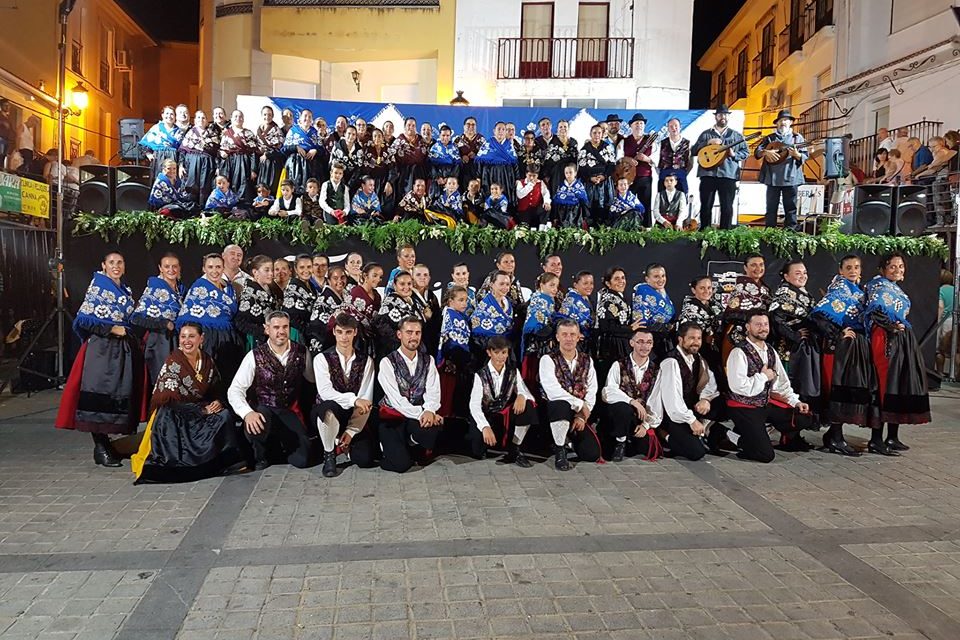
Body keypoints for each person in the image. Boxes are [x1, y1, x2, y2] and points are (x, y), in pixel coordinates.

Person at [55, 251, 148, 467]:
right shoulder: (99, 287)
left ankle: (107, 444)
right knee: (98, 394)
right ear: (103, 265)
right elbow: (85, 320)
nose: (116, 266)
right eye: (112, 263)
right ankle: (100, 446)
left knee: (117, 395)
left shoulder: (125, 289)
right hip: (101, 350)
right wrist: (112, 329)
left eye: (120, 262)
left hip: (121, 351)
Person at [131, 322, 246, 483]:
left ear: (201, 339)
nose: (187, 341)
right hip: (175, 412)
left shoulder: (207, 361)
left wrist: (217, 402)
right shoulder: (174, 362)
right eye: (183, 337)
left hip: (199, 408)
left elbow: (217, 389)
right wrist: (201, 411)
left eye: (192, 336)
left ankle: (219, 462)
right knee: (170, 417)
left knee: (224, 415)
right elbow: (168, 400)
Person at [227, 311, 315, 470]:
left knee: (303, 460)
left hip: (289, 410)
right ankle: (261, 455)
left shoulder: (302, 352)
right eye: (276, 327)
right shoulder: (254, 355)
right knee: (257, 425)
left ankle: (279, 449)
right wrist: (247, 413)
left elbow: (312, 380)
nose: (281, 331)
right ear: (267, 329)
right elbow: (235, 389)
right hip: (265, 410)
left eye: (285, 327)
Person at [863, 252, 931, 455]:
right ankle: (876, 439)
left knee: (898, 384)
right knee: (885, 385)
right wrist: (892, 327)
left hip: (900, 340)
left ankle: (892, 436)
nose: (897, 270)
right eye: (892, 266)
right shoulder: (877, 286)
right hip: (885, 340)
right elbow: (874, 312)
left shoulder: (895, 289)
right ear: (882, 268)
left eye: (900, 266)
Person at [810, 256, 878, 456]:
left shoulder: (858, 291)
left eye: (856, 267)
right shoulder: (840, 289)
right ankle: (836, 438)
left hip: (855, 347)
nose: (853, 270)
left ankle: (834, 435)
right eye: (848, 268)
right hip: (841, 349)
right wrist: (838, 333)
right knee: (838, 388)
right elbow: (819, 315)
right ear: (841, 270)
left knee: (847, 389)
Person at [725, 310, 810, 463]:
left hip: (764, 403)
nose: (763, 328)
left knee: (803, 417)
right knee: (765, 455)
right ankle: (727, 435)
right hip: (744, 406)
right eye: (758, 325)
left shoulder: (770, 351)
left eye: (765, 324)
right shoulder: (738, 352)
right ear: (748, 327)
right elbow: (739, 387)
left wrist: (795, 402)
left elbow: (782, 384)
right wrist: (764, 377)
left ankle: (757, 432)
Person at [648, 322, 727, 460]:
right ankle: (663, 435)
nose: (696, 342)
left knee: (721, 401)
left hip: (688, 408)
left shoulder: (698, 358)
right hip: (671, 415)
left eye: (699, 338)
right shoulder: (671, 361)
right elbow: (672, 401)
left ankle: (705, 431)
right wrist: (691, 421)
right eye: (691, 338)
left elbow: (710, 382)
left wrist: (705, 399)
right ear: (680, 339)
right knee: (696, 453)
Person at [312, 314, 376, 477]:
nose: (344, 337)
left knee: (365, 459)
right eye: (340, 332)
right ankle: (329, 454)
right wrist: (353, 400)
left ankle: (343, 441)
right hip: (327, 410)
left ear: (355, 332)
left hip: (352, 415)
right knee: (329, 409)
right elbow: (325, 392)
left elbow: (366, 399)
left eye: (348, 332)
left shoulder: (366, 361)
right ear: (334, 332)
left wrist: (351, 431)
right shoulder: (322, 359)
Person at [377, 316, 444, 473]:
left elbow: (433, 391)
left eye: (417, 333)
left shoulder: (428, 360)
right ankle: (384, 448)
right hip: (393, 418)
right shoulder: (387, 362)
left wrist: (430, 410)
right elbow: (396, 400)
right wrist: (423, 413)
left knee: (432, 432)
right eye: (409, 332)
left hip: (415, 416)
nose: (413, 337)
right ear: (399, 335)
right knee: (401, 465)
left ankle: (411, 443)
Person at [540, 319, 602, 471]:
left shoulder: (587, 360)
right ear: (557, 337)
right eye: (564, 334)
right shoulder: (547, 359)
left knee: (591, 454)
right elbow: (552, 391)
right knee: (560, 403)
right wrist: (580, 405)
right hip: (554, 412)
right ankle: (560, 450)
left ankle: (570, 440)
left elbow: (592, 389)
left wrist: (582, 415)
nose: (568, 338)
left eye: (572, 334)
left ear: (579, 336)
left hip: (579, 413)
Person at [468, 336, 538, 467]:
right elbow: (474, 406)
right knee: (477, 449)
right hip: (487, 416)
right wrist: (485, 427)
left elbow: (527, 393)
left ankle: (515, 449)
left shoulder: (513, 371)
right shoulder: (480, 375)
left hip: (504, 417)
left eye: (504, 352)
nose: (501, 357)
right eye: (497, 352)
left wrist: (522, 395)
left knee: (528, 406)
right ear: (489, 353)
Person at [179, 253, 244, 380]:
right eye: (210, 267)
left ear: (223, 267)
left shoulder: (229, 287)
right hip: (208, 337)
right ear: (204, 269)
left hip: (229, 337)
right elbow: (188, 317)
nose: (215, 271)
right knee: (207, 374)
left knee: (227, 375)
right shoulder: (199, 287)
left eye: (218, 267)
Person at [768, 260, 820, 415]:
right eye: (797, 273)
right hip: (789, 350)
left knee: (803, 384)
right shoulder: (784, 294)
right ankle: (788, 426)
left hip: (804, 348)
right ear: (786, 276)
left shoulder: (803, 293)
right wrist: (794, 335)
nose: (802, 276)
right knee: (791, 385)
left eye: (804, 272)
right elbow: (776, 319)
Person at [600, 329, 660, 462]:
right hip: (619, 417)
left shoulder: (656, 370)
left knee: (643, 449)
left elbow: (657, 401)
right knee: (623, 408)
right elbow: (608, 392)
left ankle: (630, 440)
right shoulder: (619, 365)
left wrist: (646, 425)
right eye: (640, 342)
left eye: (648, 342)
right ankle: (620, 442)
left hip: (640, 419)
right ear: (632, 343)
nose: (645, 346)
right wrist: (631, 401)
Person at [131, 252, 186, 390]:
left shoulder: (181, 290)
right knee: (162, 383)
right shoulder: (154, 288)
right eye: (167, 266)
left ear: (179, 268)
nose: (171, 270)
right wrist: (163, 324)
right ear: (160, 268)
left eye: (174, 266)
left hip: (178, 342)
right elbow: (137, 318)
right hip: (159, 343)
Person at [692, 105, 748, 229]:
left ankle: (725, 234)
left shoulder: (736, 136)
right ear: (716, 117)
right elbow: (693, 150)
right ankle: (705, 232)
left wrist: (734, 154)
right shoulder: (706, 134)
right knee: (706, 206)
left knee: (727, 207)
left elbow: (745, 153)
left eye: (725, 115)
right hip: (708, 175)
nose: (723, 117)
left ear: (728, 117)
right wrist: (707, 143)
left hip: (728, 175)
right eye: (720, 115)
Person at [755, 110, 808, 230]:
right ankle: (770, 232)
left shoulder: (797, 138)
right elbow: (757, 152)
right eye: (780, 121)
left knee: (790, 207)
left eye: (785, 120)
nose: (783, 122)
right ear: (777, 124)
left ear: (790, 123)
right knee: (771, 207)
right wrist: (765, 152)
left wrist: (796, 154)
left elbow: (805, 155)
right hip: (772, 177)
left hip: (791, 176)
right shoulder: (769, 138)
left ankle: (790, 232)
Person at [718, 253, 770, 363]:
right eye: (753, 265)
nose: (758, 268)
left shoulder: (765, 288)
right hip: (741, 337)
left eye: (761, 265)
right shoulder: (740, 288)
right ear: (745, 268)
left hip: (760, 337)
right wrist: (752, 319)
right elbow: (730, 315)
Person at [595, 266, 642, 382]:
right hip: (612, 347)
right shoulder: (607, 300)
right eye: (616, 279)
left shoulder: (618, 297)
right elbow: (606, 327)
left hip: (621, 344)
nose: (621, 281)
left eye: (623, 278)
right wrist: (630, 328)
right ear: (608, 283)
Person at [437, 285, 472, 418]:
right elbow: (450, 342)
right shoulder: (449, 315)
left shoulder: (460, 316)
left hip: (457, 364)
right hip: (449, 365)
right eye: (461, 300)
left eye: (466, 300)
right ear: (451, 301)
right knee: (446, 397)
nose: (465, 303)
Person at [520, 272, 559, 390]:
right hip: (536, 350)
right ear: (542, 285)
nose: (555, 289)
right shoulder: (538, 301)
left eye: (556, 286)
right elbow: (535, 327)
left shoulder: (549, 301)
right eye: (551, 285)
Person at [374, 270, 423, 357]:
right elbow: (382, 328)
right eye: (402, 284)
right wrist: (402, 344)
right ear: (394, 285)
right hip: (394, 353)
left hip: (413, 350)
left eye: (409, 284)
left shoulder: (413, 302)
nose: (406, 287)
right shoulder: (389, 302)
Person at [235, 255, 280, 350]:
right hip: (257, 341)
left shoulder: (272, 289)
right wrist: (263, 330)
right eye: (267, 270)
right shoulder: (249, 294)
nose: (271, 273)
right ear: (255, 272)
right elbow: (240, 322)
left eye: (272, 270)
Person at [632, 263, 675, 358]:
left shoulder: (661, 292)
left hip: (663, 341)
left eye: (663, 276)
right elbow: (642, 323)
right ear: (647, 279)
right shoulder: (643, 293)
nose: (661, 280)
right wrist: (667, 327)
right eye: (656, 277)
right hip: (650, 343)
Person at [471, 270, 515, 361]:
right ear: (492, 284)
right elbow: (477, 331)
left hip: (506, 350)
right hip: (488, 353)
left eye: (507, 284)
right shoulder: (484, 306)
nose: (505, 287)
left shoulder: (508, 302)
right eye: (501, 284)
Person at [342, 262, 383, 357]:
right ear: (365, 275)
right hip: (357, 340)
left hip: (374, 340)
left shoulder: (377, 296)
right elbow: (349, 316)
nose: (378, 279)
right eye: (375, 275)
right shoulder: (356, 292)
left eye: (380, 277)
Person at [177, 110, 218, 206]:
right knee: (192, 185)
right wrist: (181, 165)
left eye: (203, 117)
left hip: (207, 163)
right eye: (198, 117)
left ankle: (203, 208)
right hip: (192, 162)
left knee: (205, 186)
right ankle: (191, 207)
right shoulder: (189, 133)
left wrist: (218, 167)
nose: (201, 120)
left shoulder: (213, 134)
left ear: (207, 121)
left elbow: (217, 152)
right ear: (195, 120)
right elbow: (183, 150)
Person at [578, 125, 616, 225]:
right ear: (590, 134)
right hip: (589, 181)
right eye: (594, 133)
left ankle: (603, 227)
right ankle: (590, 226)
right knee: (589, 205)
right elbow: (581, 168)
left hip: (604, 180)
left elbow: (612, 165)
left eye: (599, 133)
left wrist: (604, 176)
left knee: (605, 204)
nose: (597, 135)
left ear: (602, 134)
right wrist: (590, 178)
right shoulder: (585, 149)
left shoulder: (607, 147)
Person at [282, 108, 327, 194]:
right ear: (300, 119)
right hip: (295, 163)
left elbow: (322, 150)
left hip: (312, 163)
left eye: (310, 117)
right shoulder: (293, 130)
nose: (307, 118)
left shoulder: (315, 132)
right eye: (305, 116)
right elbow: (284, 149)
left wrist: (315, 150)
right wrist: (296, 148)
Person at [217, 110, 258, 203]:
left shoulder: (248, 133)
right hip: (229, 162)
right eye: (235, 116)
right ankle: (229, 206)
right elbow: (221, 149)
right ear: (231, 119)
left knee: (244, 184)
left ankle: (242, 207)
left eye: (240, 117)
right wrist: (222, 154)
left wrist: (253, 169)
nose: (238, 119)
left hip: (244, 161)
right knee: (229, 183)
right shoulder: (226, 133)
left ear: (243, 119)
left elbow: (253, 152)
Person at [621, 113, 658, 217]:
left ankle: (646, 227)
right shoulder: (624, 141)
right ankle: (628, 224)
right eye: (636, 123)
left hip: (645, 177)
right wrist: (627, 159)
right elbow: (618, 158)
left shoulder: (651, 141)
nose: (639, 125)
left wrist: (647, 159)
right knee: (627, 202)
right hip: (628, 178)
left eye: (641, 123)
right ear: (631, 126)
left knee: (646, 203)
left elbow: (657, 160)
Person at [307, 265, 348, 353]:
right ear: (328, 280)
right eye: (335, 278)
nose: (340, 281)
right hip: (326, 344)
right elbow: (317, 327)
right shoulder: (323, 300)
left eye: (342, 277)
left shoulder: (346, 295)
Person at [477, 122, 518, 205]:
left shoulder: (509, 145)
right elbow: (479, 161)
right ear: (494, 131)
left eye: (503, 129)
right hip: (489, 173)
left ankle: (505, 213)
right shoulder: (488, 143)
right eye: (499, 129)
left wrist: (517, 178)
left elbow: (515, 163)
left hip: (506, 174)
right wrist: (478, 177)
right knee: (489, 193)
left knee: (505, 193)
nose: (501, 131)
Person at [140, 105, 185, 181]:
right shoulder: (156, 128)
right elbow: (144, 143)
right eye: (167, 113)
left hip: (173, 159)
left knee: (172, 182)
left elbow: (182, 150)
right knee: (159, 181)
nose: (169, 116)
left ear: (175, 116)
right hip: (159, 159)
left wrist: (181, 165)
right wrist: (148, 154)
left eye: (172, 114)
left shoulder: (179, 132)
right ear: (162, 115)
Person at [282, 254, 316, 343]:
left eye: (309, 267)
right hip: (297, 332)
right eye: (302, 267)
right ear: (296, 270)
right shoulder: (292, 288)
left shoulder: (311, 286)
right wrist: (307, 330)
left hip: (309, 331)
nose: (306, 270)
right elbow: (290, 316)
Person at [363, 128, 397, 216]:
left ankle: (385, 219)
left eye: (379, 136)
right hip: (371, 179)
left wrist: (389, 182)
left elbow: (393, 168)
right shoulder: (367, 149)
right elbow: (364, 169)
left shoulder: (388, 149)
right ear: (372, 138)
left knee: (388, 194)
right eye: (375, 136)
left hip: (385, 179)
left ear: (383, 138)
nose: (377, 138)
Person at [392, 117, 428, 195]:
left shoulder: (421, 140)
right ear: (405, 127)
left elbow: (427, 156)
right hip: (404, 174)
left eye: (413, 125)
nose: (411, 127)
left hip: (420, 172)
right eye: (409, 125)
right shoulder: (399, 141)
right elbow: (392, 159)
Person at [254, 105, 286, 195]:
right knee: (260, 186)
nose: (267, 117)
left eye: (269, 115)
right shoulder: (259, 130)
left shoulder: (277, 130)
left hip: (273, 162)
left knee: (271, 185)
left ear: (272, 116)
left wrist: (267, 154)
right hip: (261, 162)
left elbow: (280, 148)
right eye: (265, 114)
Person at [412, 263, 441, 356]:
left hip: (432, 340)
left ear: (429, 278)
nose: (422, 277)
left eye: (425, 275)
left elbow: (439, 318)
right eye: (418, 275)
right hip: (415, 340)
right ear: (412, 278)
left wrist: (431, 317)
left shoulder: (432, 296)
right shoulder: (408, 296)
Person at [543, 120, 579, 196]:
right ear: (557, 129)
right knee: (557, 194)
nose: (563, 128)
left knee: (570, 195)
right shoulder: (552, 141)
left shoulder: (573, 141)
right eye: (561, 127)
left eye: (565, 126)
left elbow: (576, 159)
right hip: (557, 173)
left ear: (568, 128)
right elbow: (548, 161)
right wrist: (546, 175)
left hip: (570, 173)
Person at [658, 117, 693, 193]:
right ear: (668, 129)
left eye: (676, 125)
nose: (674, 128)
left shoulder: (687, 143)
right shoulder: (662, 143)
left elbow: (690, 163)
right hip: (664, 177)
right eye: (671, 126)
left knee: (682, 201)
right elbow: (656, 162)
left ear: (680, 127)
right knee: (663, 201)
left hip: (681, 177)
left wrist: (683, 173)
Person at [558, 271, 595, 344]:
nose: (589, 286)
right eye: (585, 283)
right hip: (574, 342)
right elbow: (561, 320)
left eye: (591, 283)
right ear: (575, 285)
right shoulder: (571, 300)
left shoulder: (587, 299)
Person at [428, 125, 461, 200]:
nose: (445, 137)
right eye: (443, 135)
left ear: (450, 136)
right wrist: (437, 177)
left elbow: (457, 165)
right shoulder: (434, 147)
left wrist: (449, 178)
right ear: (439, 135)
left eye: (447, 135)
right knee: (435, 199)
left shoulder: (454, 148)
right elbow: (430, 165)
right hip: (437, 178)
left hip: (451, 178)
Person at [552, 164, 589, 228]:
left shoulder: (579, 185)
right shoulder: (561, 186)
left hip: (576, 211)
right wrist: (555, 217)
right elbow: (556, 200)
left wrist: (584, 216)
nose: (568, 175)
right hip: (562, 210)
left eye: (570, 172)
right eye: (566, 173)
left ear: (575, 173)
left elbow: (583, 199)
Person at [516, 164, 552, 229]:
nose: (532, 178)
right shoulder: (520, 183)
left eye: (534, 176)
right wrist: (530, 185)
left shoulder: (541, 183)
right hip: (524, 211)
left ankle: (542, 228)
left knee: (546, 208)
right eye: (529, 175)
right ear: (526, 174)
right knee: (524, 227)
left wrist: (546, 202)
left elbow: (546, 193)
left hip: (536, 210)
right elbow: (520, 195)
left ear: (537, 175)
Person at [329, 125, 364, 191]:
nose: (351, 136)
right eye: (349, 133)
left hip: (353, 181)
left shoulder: (359, 150)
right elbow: (332, 164)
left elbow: (359, 169)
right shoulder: (337, 146)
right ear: (344, 134)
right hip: (338, 178)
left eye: (353, 134)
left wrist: (349, 185)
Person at [454, 116, 485, 188]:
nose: (471, 126)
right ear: (464, 126)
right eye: (468, 124)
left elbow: (485, 156)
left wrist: (476, 156)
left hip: (477, 170)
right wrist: (461, 157)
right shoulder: (458, 140)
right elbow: (453, 156)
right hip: (462, 171)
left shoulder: (481, 139)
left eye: (473, 125)